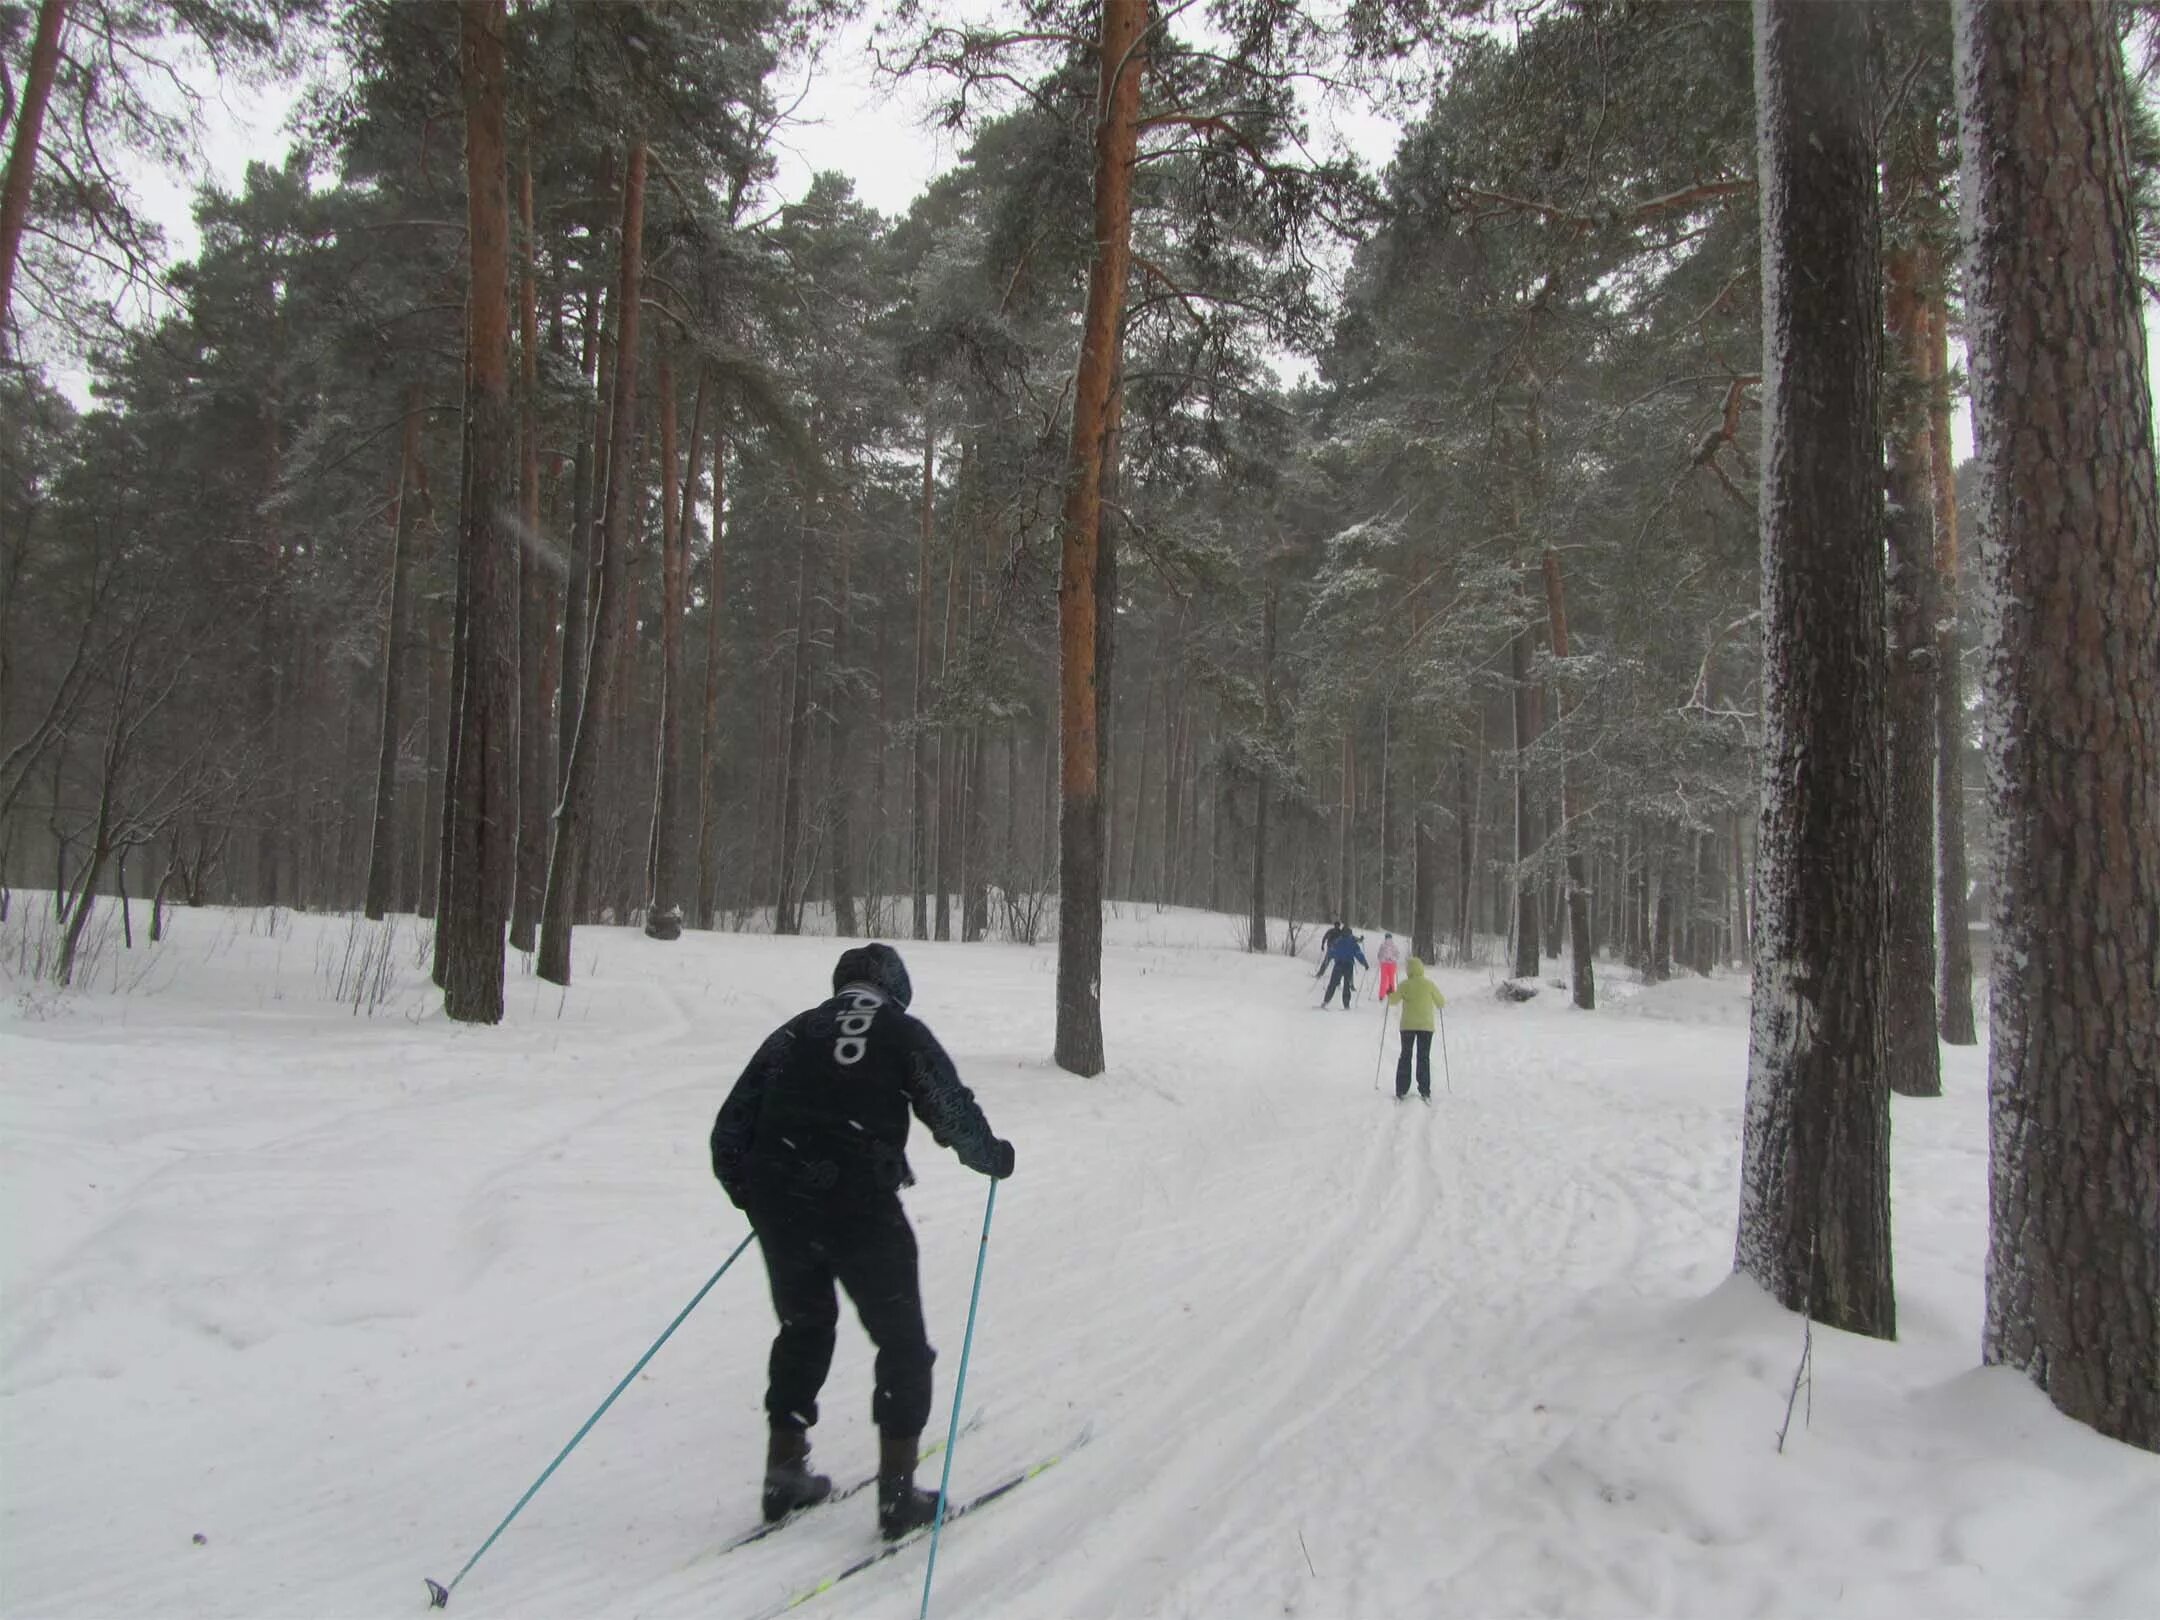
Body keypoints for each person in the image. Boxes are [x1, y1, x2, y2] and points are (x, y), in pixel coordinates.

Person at [711, 943, 1015, 1540]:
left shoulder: (795, 1032)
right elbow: (949, 1108)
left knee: (805, 1325)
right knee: (901, 1343)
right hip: (860, 1203)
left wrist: (756, 1195)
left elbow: (729, 1130)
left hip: (783, 1199)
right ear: (895, 989)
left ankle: (785, 1472)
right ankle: (898, 1497)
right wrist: (992, 1158)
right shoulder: (900, 1031)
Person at [1386, 957, 1447, 1100]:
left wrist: (1389, 989)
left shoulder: (1405, 985)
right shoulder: (1429, 984)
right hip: (1426, 1027)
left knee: (1405, 1056)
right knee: (1423, 1057)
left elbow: (1392, 1001)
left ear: (1409, 970)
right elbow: (1441, 1002)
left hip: (1407, 1026)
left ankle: (1401, 1089)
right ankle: (1425, 1090)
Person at [1319, 928, 1368, 1009]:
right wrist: (1365, 963)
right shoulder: (1352, 942)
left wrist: (1328, 958)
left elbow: (1332, 951)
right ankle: (1346, 1005)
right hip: (1348, 965)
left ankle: (1325, 1001)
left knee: (1332, 984)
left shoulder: (1338, 941)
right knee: (1346, 985)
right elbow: (1358, 954)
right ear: (1350, 934)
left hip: (1338, 965)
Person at [1374, 932, 1402, 1001]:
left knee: (1383, 980)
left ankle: (1381, 995)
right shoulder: (1394, 945)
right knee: (1391, 979)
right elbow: (1397, 955)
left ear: (1385, 937)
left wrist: (1383, 959)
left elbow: (1379, 955)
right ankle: (1392, 993)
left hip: (1384, 964)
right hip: (1392, 964)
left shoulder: (1383, 945)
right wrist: (1393, 959)